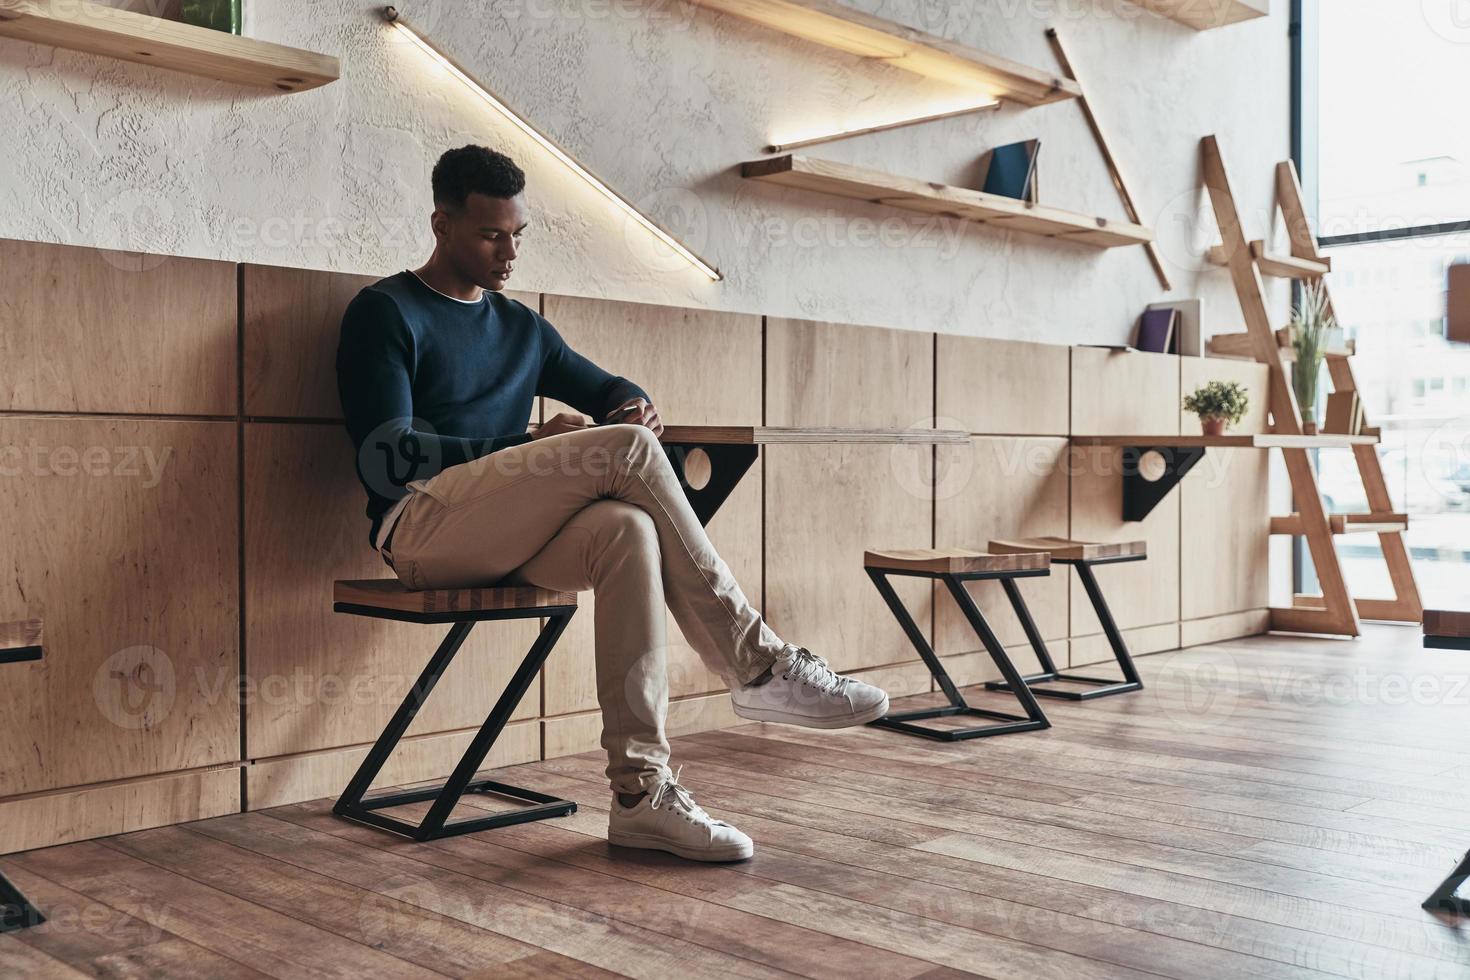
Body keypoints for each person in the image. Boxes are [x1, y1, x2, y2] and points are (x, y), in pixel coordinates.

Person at [335, 145, 889, 863]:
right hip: (420, 532)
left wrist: (633, 402)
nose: (508, 253)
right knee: (622, 450)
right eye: (490, 235)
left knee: (628, 529)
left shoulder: (520, 328)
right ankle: (758, 663)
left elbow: (611, 390)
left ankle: (640, 796)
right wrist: (527, 439)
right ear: (440, 224)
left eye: (518, 235)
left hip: (505, 536)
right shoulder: (385, 312)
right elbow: (386, 455)